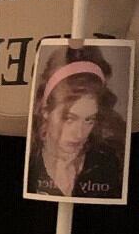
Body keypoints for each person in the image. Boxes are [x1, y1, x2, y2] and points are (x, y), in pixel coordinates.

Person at [27, 47, 124, 198]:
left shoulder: (107, 163)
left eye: (89, 120)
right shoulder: (29, 159)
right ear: (46, 111)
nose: (79, 134)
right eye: (69, 118)